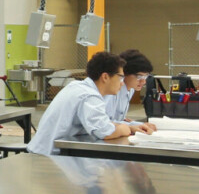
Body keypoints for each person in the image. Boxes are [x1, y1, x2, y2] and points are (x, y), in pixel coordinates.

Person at [26, 51, 155, 155]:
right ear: (105, 77)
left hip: (50, 151)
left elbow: (102, 122)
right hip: (50, 156)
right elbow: (105, 131)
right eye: (120, 78)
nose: (122, 83)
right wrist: (125, 128)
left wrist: (127, 125)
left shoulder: (78, 87)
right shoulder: (89, 96)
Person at [106, 50, 154, 123]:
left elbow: (119, 119)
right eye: (139, 77)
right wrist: (132, 125)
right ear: (124, 73)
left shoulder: (131, 89)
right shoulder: (111, 91)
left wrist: (134, 124)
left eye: (146, 76)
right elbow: (105, 123)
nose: (143, 82)